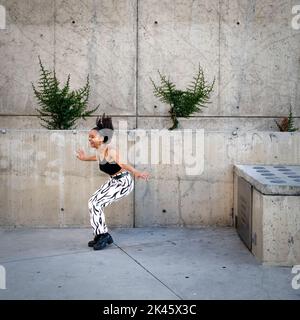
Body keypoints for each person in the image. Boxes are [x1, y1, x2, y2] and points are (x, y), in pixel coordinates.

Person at [76, 113, 150, 250]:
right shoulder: (100, 151)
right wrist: (84, 158)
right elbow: (96, 158)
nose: (90, 140)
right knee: (93, 202)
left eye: (92, 137)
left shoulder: (111, 151)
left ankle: (103, 235)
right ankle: (100, 235)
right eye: (89, 138)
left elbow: (123, 164)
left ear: (102, 137)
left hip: (123, 182)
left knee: (96, 203)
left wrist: (137, 172)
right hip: (114, 181)